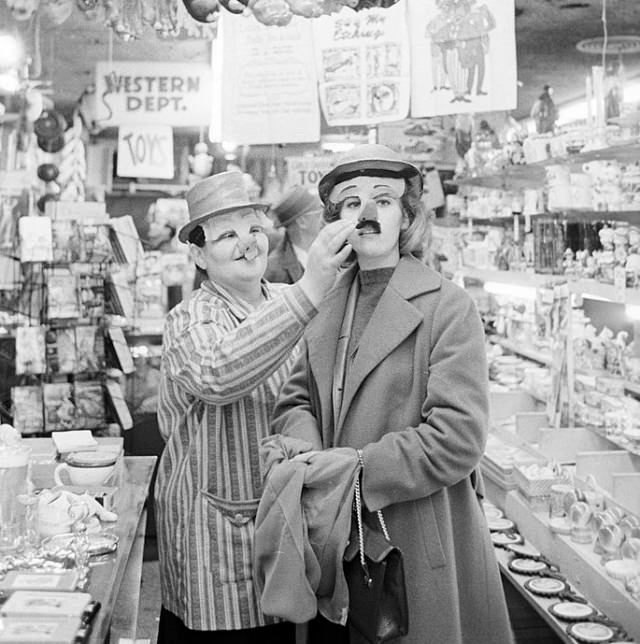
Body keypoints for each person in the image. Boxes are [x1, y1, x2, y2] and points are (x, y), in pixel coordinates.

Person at [271, 144, 514, 644]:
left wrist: (355, 470)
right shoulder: (325, 300)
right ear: (336, 221)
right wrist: (315, 460)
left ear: (406, 217)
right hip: (332, 539)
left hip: (413, 538)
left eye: (383, 200)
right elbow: (294, 400)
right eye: (351, 202)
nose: (366, 213)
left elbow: (458, 437)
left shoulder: (448, 306)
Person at [154, 169, 355, 643]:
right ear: (199, 253)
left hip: (285, 520)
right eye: (227, 235)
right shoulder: (189, 319)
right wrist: (311, 288)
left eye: (253, 230)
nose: (247, 244)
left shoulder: (286, 298)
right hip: (214, 533)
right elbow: (216, 373)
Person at [265, 186, 323, 284]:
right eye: (320, 213)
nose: (325, 218)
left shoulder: (332, 251)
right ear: (302, 222)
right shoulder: (274, 272)